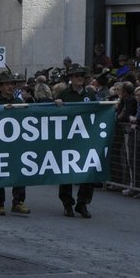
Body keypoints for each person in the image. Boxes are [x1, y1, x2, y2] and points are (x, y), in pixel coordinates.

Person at [55, 64, 99, 218]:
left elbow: (97, 111)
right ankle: (67, 204)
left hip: (86, 138)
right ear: (70, 78)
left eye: (82, 75)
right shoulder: (64, 94)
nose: (80, 78)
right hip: (69, 139)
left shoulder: (90, 94)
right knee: (67, 171)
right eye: (76, 76)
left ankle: (83, 203)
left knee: (89, 170)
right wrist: (58, 105)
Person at [0, 72, 28, 215]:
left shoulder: (18, 101)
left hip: (16, 142)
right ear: (0, 87)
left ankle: (18, 202)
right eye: (7, 84)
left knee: (19, 170)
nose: (11, 86)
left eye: (12, 84)